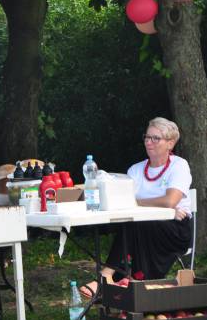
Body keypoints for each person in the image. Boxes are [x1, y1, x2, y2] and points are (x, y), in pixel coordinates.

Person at [80, 117, 192, 298]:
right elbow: (123, 200)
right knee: (131, 222)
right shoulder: (135, 170)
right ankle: (122, 281)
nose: (149, 142)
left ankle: (107, 277)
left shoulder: (179, 165)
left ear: (170, 143)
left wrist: (140, 203)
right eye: (147, 137)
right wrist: (157, 206)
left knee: (135, 222)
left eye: (156, 138)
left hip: (174, 229)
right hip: (145, 226)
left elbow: (170, 201)